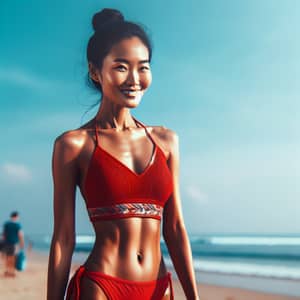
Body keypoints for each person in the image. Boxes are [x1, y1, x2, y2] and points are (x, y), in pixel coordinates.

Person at [47, 8, 200, 300]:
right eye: (121, 66)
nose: (134, 78)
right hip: (102, 288)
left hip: (158, 289)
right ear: (95, 71)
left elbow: (176, 228)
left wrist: (194, 296)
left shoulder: (166, 141)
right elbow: (64, 239)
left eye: (143, 67)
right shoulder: (73, 146)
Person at [2, 211, 25, 277]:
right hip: (14, 243)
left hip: (7, 243)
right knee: (13, 257)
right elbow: (20, 235)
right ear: (16, 217)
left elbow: (4, 234)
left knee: (8, 257)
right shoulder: (17, 225)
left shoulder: (6, 224)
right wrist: (22, 243)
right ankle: (12, 271)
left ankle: (8, 270)